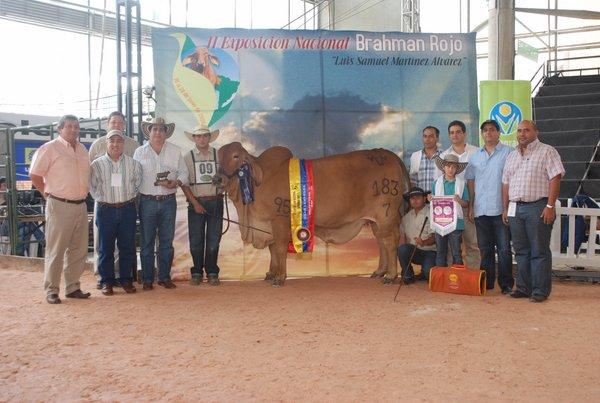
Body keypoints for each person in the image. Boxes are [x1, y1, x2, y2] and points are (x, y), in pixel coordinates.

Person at [29, 115, 91, 304]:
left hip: (80, 205)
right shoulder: (49, 148)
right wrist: (47, 194)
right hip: (59, 204)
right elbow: (35, 174)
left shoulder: (82, 149)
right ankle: (52, 290)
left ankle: (73, 287)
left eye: (76, 126)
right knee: (56, 249)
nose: (73, 129)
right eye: (69, 126)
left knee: (78, 249)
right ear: (60, 129)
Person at [502, 120, 565, 303]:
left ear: (536, 132)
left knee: (539, 250)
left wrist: (550, 206)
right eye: (519, 131)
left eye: (526, 130)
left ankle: (540, 291)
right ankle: (523, 287)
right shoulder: (512, 156)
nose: (522, 134)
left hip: (538, 206)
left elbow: (555, 178)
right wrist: (505, 208)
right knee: (521, 251)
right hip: (515, 207)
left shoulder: (547, 151)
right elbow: (506, 183)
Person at [133, 117, 188, 290]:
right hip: (147, 201)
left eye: (161, 129)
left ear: (166, 133)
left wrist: (176, 183)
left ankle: (164, 277)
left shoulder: (175, 151)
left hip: (168, 201)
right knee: (147, 242)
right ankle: (148, 279)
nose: (157, 132)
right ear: (149, 131)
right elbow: (134, 178)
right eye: (154, 129)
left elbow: (184, 174)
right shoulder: (139, 152)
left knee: (166, 242)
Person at [89, 111, 139, 289]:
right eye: (112, 140)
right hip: (105, 208)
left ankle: (126, 280)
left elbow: (137, 181)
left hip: (126, 207)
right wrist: (102, 200)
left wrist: (128, 197)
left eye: (119, 141)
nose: (115, 143)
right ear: (106, 141)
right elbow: (91, 184)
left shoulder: (133, 160)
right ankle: (105, 281)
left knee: (126, 246)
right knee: (105, 247)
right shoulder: (97, 159)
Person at [466, 120, 514, 294]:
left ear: (498, 133)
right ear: (482, 134)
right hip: (481, 210)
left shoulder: (509, 153)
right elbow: (471, 182)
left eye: (492, 130)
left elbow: (511, 181)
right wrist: (471, 206)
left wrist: (507, 207)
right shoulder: (475, 156)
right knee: (485, 250)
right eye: (485, 131)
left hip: (500, 209)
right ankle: (487, 283)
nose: (488, 133)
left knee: (504, 250)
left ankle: (506, 284)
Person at [181, 125, 224, 286]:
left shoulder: (218, 155)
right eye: (198, 136)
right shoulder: (187, 157)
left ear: (209, 137)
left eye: (205, 136)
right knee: (196, 240)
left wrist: (222, 183)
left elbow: (226, 177)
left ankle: (212, 272)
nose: (202, 139)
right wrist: (194, 203)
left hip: (215, 200)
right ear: (194, 139)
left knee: (214, 239)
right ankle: (197, 272)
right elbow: (184, 184)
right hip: (196, 202)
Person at [440, 120, 480, 269]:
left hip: (469, 206)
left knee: (472, 243)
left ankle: (472, 277)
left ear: (464, 133)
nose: (455, 135)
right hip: (449, 209)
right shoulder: (444, 156)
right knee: (452, 245)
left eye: (458, 132)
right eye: (451, 132)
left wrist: (472, 206)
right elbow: (439, 183)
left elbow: (479, 180)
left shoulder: (476, 153)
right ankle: (452, 277)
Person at [428, 154, 470, 267]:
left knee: (456, 252)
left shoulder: (462, 184)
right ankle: (441, 279)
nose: (450, 169)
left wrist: (459, 200)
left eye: (453, 167)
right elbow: (433, 198)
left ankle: (457, 278)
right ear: (443, 167)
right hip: (440, 222)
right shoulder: (436, 183)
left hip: (456, 223)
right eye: (448, 166)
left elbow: (466, 204)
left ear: (456, 169)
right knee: (441, 252)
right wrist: (430, 198)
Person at [397, 186, 436, 284]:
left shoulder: (431, 212)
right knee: (402, 249)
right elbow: (402, 238)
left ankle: (425, 271)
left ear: (424, 199)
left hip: (431, 251)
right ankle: (408, 274)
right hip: (415, 252)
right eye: (412, 198)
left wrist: (423, 242)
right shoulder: (406, 218)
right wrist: (401, 253)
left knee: (428, 275)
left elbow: (435, 237)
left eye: (418, 197)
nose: (415, 200)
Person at [409, 126, 442, 190]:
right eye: (425, 136)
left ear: (437, 138)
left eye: (431, 136)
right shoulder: (415, 156)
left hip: (438, 198)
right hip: (421, 198)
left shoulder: (444, 155)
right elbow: (412, 181)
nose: (427, 139)